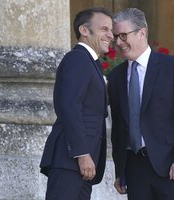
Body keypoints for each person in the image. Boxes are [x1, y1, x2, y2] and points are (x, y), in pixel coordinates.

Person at [107, 8, 174, 200]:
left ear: (142, 32)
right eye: (116, 37)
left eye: (123, 36)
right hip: (135, 171)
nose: (118, 42)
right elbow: (119, 129)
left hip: (172, 168)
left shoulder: (172, 67)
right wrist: (119, 170)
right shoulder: (116, 77)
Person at [39, 7, 113, 200]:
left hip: (81, 165)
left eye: (111, 30)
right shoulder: (78, 58)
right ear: (84, 30)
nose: (111, 35)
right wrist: (82, 153)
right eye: (104, 29)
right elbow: (69, 106)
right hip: (70, 160)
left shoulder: (89, 61)